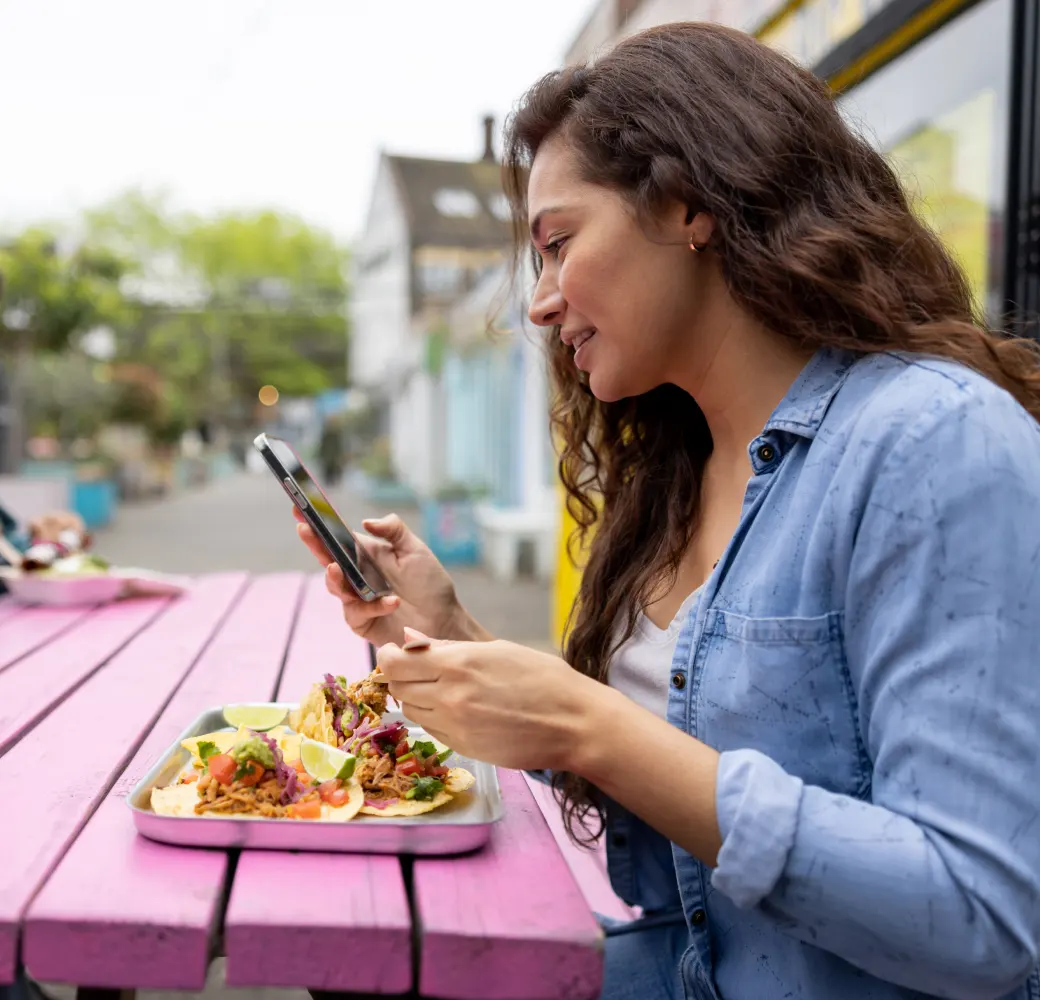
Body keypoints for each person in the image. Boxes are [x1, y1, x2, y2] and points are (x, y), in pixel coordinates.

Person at [297, 23, 1040, 1000]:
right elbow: (655, 773)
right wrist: (455, 635)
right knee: (342, 947)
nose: (538, 302)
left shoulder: (933, 441)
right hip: (676, 967)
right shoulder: (674, 469)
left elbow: (980, 918)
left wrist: (586, 724)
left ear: (687, 202)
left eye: (558, 243)